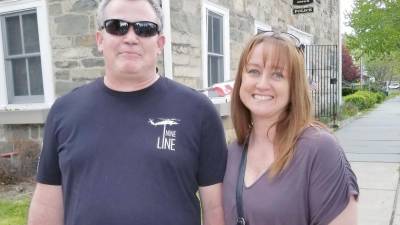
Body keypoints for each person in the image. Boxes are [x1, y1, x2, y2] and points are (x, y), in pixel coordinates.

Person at [27, 0, 227, 224]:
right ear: (100, 39)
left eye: (144, 28)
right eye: (117, 26)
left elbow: (215, 207)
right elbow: (47, 202)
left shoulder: (199, 112)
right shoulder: (64, 111)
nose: (131, 38)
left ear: (160, 43)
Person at [223, 32, 359, 225]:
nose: (262, 84)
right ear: (241, 80)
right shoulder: (232, 153)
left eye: (277, 74)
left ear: (293, 87)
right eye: (254, 71)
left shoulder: (319, 150)